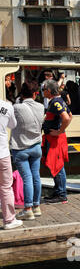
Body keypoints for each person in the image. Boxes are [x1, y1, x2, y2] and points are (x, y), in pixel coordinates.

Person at [9, 80, 45, 220]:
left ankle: (28, 208)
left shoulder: (16, 107)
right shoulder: (41, 106)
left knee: (27, 178)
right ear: (36, 93)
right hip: (36, 146)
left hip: (20, 147)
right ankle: (36, 206)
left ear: (22, 94)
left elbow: (11, 123)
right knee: (36, 176)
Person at [41, 79, 72, 204]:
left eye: (43, 90)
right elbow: (70, 116)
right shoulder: (59, 101)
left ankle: (61, 193)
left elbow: (66, 117)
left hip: (55, 139)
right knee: (56, 165)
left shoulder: (55, 102)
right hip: (54, 138)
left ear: (48, 91)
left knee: (57, 166)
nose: (42, 92)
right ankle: (58, 190)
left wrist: (59, 131)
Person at [0, 95, 22, 229]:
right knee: (6, 187)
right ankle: (9, 220)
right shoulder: (7, 106)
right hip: (2, 152)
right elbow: (13, 124)